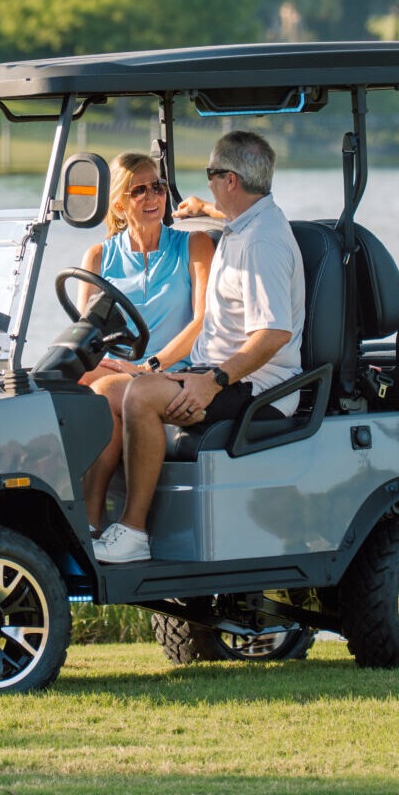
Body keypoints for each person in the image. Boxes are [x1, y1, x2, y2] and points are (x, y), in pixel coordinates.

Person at [90, 130, 305, 566]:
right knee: (109, 390)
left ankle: (133, 531)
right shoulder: (248, 223)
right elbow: (234, 219)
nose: (206, 185)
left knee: (141, 394)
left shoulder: (262, 240)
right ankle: (91, 523)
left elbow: (273, 334)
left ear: (230, 181)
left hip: (256, 387)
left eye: (211, 177)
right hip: (220, 372)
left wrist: (214, 381)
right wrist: (205, 209)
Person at [75, 153, 214, 533]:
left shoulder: (195, 245)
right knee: (63, 386)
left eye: (159, 186)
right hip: (116, 370)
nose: (154, 196)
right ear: (119, 203)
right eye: (141, 190)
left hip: (174, 374)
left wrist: (148, 367)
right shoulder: (100, 256)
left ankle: (91, 522)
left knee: (103, 394)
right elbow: (86, 332)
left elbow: (203, 321)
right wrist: (106, 363)